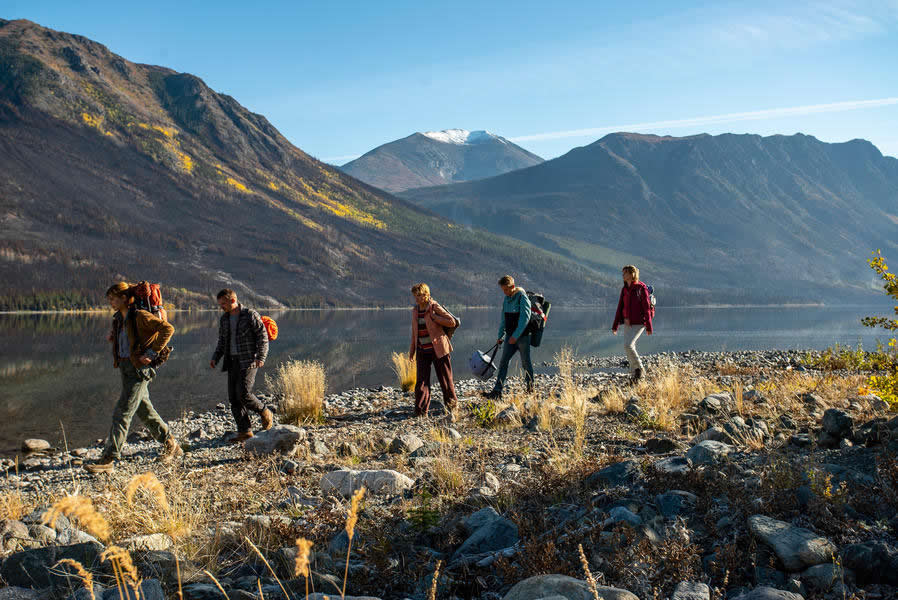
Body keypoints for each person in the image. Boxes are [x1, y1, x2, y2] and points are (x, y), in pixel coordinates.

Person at [84, 282, 183, 474]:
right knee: (144, 410)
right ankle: (171, 444)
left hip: (139, 370)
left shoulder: (139, 315)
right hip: (126, 368)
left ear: (124, 298)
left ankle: (109, 458)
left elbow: (167, 329)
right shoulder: (119, 318)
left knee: (122, 412)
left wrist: (152, 353)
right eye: (109, 299)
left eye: (113, 298)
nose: (110, 302)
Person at [210, 289, 273, 442]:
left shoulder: (250, 314)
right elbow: (222, 341)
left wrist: (261, 356)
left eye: (223, 304)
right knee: (234, 398)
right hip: (232, 361)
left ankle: (265, 411)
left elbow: (262, 337)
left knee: (243, 393)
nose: (221, 307)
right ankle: (245, 432)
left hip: (249, 360)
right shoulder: (224, 319)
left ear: (233, 300)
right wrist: (215, 358)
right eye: (220, 304)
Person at [408, 283, 460, 419]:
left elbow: (452, 322)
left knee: (446, 380)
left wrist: (435, 318)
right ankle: (420, 412)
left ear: (426, 295)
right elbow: (414, 332)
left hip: (439, 350)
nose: (417, 298)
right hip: (422, 350)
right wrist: (412, 351)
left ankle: (453, 408)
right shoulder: (415, 311)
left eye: (419, 295)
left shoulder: (434, 306)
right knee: (421, 382)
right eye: (415, 296)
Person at [482, 275, 533, 400]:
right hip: (510, 337)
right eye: (503, 290)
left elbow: (525, 318)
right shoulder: (506, 299)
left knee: (526, 363)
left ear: (513, 287)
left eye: (506, 289)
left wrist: (515, 336)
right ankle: (497, 392)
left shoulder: (522, 297)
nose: (504, 292)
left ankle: (530, 390)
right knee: (503, 362)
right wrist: (500, 336)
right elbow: (503, 320)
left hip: (523, 337)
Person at [611, 264, 653, 383]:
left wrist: (649, 326)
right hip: (628, 322)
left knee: (629, 345)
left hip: (640, 322)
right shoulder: (625, 289)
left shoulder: (641, 288)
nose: (623, 275)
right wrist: (615, 326)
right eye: (622, 273)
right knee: (627, 346)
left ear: (632, 274)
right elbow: (620, 307)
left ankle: (640, 369)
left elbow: (646, 309)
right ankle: (635, 373)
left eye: (625, 273)